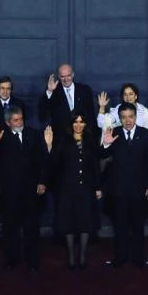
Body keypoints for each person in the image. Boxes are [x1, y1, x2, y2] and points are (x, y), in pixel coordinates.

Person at [0, 105, 48, 271]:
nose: (19, 122)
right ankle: (11, 260)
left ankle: (32, 261)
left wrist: (42, 181)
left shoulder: (34, 134)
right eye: (15, 120)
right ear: (8, 122)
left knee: (31, 228)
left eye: (21, 118)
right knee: (10, 227)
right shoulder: (0, 136)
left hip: (31, 190)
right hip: (10, 191)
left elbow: (42, 160)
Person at [100, 102, 148, 269]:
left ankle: (138, 257)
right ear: (119, 118)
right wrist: (106, 144)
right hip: (118, 189)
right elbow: (102, 156)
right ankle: (120, 256)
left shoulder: (147, 135)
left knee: (138, 226)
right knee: (120, 226)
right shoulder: (113, 133)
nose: (128, 120)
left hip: (139, 189)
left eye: (130, 116)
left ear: (136, 116)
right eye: (123, 117)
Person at [45, 110, 102, 270]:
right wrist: (49, 146)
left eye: (81, 122)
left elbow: (95, 166)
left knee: (85, 221)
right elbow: (53, 163)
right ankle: (71, 256)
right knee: (67, 222)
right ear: (71, 124)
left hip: (86, 187)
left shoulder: (90, 140)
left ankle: (82, 256)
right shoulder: (63, 140)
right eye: (75, 122)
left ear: (85, 123)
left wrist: (97, 187)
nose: (78, 125)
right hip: (67, 187)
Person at [38, 63, 96, 134]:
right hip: (61, 138)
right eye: (62, 76)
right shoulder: (53, 91)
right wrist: (50, 91)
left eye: (68, 75)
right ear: (59, 76)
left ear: (73, 74)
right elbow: (42, 115)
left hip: (83, 136)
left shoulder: (85, 90)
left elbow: (91, 115)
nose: (66, 79)